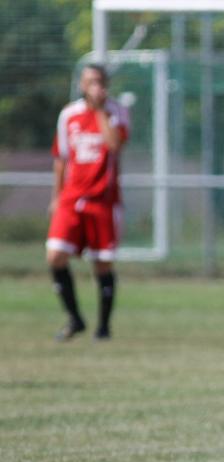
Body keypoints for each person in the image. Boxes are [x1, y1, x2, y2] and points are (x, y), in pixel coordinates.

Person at [47, 63, 129, 341]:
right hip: (71, 197)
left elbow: (114, 146)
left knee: (102, 264)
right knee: (55, 256)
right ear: (81, 85)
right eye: (90, 81)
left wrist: (99, 112)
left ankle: (103, 328)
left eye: (100, 81)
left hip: (103, 199)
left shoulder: (116, 112)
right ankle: (75, 319)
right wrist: (56, 197)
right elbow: (61, 158)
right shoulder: (68, 115)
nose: (96, 86)